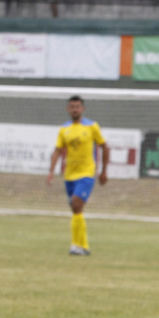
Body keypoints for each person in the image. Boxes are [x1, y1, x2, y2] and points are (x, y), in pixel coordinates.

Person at [46, 95, 110, 256]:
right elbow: (58, 151)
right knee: (76, 210)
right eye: (72, 106)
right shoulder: (64, 129)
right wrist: (51, 172)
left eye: (77, 106)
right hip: (69, 175)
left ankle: (76, 245)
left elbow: (105, 147)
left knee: (76, 204)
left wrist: (103, 171)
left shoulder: (92, 126)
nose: (75, 109)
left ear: (83, 109)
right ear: (68, 109)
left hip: (87, 173)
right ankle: (82, 246)